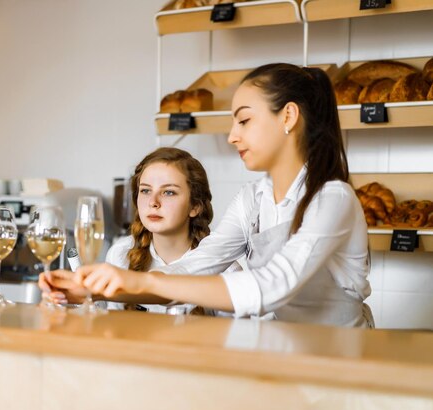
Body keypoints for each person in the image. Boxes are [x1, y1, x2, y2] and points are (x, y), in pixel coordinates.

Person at [44, 63, 373, 328]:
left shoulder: (333, 198)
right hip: (287, 354)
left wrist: (137, 284)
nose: (232, 136)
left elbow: (271, 286)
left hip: (342, 358)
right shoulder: (252, 200)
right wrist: (95, 288)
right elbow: (193, 268)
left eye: (244, 120)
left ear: (287, 116)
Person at [42, 147, 219, 314]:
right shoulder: (121, 254)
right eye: (145, 190)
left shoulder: (223, 268)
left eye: (169, 192)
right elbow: (111, 326)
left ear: (195, 206)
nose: (153, 202)